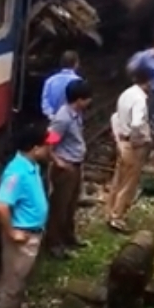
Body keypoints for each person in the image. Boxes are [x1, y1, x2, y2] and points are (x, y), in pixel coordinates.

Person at [0, 123, 60, 308]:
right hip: (23, 237)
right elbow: (1, 205)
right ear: (35, 149)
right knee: (13, 281)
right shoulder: (16, 173)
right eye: (47, 146)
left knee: (23, 277)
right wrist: (12, 233)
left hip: (33, 234)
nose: (50, 149)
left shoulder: (31, 166)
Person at [45, 79, 92, 259]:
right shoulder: (62, 118)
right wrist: (58, 162)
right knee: (60, 207)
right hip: (66, 168)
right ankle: (54, 243)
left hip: (76, 165)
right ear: (79, 99)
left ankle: (69, 237)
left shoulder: (76, 113)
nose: (89, 102)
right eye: (87, 99)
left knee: (71, 205)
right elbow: (49, 144)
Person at [106, 66, 154, 233]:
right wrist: (137, 140)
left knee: (118, 179)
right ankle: (117, 217)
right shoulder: (140, 99)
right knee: (129, 183)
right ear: (148, 81)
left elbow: (115, 117)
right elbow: (136, 123)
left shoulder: (126, 94)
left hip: (122, 142)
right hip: (133, 145)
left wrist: (119, 138)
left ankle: (110, 210)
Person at [40, 51, 81, 119]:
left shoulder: (49, 81)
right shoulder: (78, 81)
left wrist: (51, 115)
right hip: (72, 121)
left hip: (53, 120)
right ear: (76, 64)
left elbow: (45, 102)